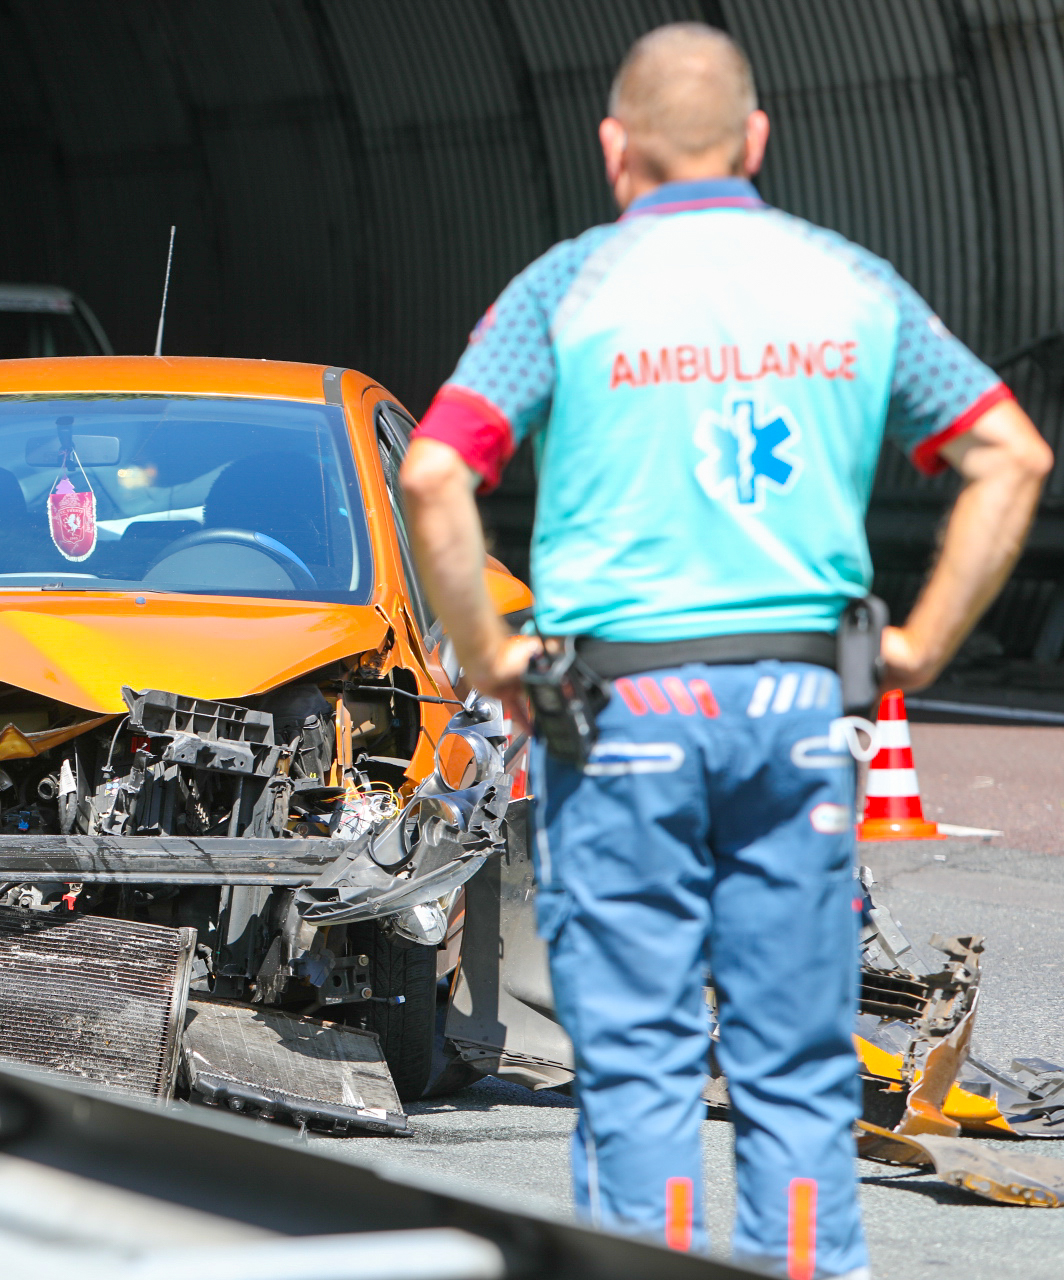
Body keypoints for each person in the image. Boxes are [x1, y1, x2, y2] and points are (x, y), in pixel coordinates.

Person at [401, 25, 1050, 1280]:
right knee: (794, 1056)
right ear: (755, 141)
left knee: (637, 1058)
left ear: (611, 148)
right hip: (801, 707)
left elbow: (433, 471)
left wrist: (494, 664)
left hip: (621, 705)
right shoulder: (853, 285)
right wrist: (915, 644)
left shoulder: (564, 291)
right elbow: (1010, 453)